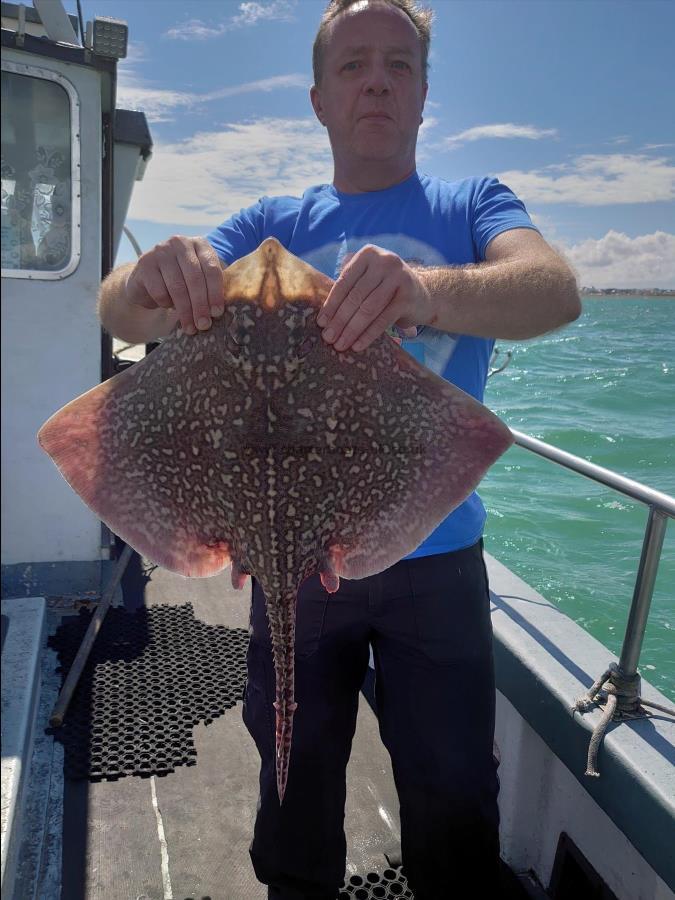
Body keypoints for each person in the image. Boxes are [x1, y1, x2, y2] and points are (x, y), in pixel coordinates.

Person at [98, 1, 581, 896]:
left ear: (424, 94)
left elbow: (553, 292)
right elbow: (122, 309)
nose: (376, 81)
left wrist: (423, 291)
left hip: (435, 558)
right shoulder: (268, 223)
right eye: (353, 65)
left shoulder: (472, 205)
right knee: (293, 779)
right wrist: (147, 278)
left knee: (453, 794)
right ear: (317, 97)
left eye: (398, 66)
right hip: (289, 545)